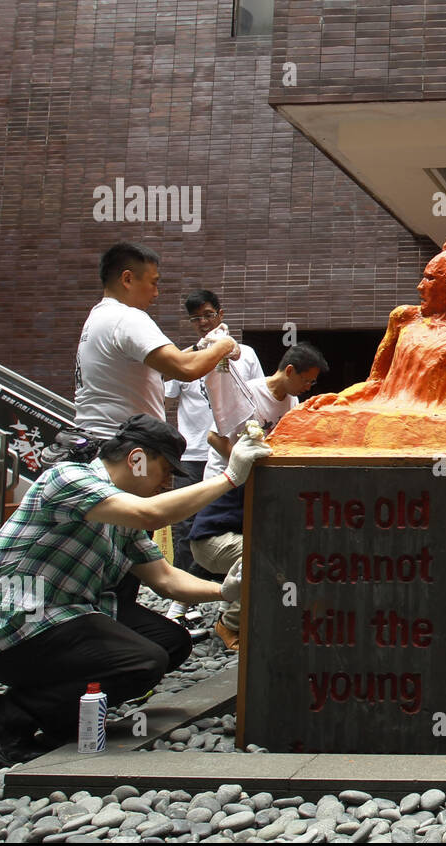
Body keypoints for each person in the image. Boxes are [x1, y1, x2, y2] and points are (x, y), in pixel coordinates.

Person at [0, 415, 271, 766]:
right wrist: (230, 478)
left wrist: (225, 592)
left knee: (172, 643)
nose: (166, 483)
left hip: (63, 614)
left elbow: (165, 579)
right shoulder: (69, 478)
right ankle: (4, 716)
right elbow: (150, 515)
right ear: (137, 458)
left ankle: (62, 714)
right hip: (12, 622)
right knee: (142, 660)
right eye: (165, 470)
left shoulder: (123, 515)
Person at [190, 342, 328, 651]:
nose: (308, 387)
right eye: (307, 380)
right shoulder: (249, 392)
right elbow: (213, 436)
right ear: (289, 370)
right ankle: (216, 618)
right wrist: (242, 466)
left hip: (260, 484)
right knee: (265, 555)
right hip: (229, 481)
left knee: (280, 550)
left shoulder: (291, 401)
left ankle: (259, 616)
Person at [164, 290, 263, 620]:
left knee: (227, 523)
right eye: (196, 319)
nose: (203, 323)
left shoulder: (243, 354)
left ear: (221, 314)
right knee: (186, 523)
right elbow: (171, 395)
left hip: (227, 452)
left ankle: (228, 593)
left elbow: (257, 397)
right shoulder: (185, 357)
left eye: (207, 315)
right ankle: (182, 598)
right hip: (192, 450)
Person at [75, 243, 238, 440]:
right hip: (124, 447)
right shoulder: (126, 317)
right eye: (153, 283)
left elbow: (161, 371)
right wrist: (225, 344)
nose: (156, 293)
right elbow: (186, 369)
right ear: (127, 279)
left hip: (100, 440)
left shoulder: (98, 317)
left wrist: (199, 348)